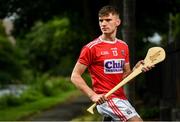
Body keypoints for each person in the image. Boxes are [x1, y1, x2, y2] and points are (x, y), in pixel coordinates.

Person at [71, 5, 153, 121]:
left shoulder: (123, 46)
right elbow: (75, 76)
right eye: (101, 20)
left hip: (121, 98)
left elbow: (124, 77)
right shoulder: (91, 48)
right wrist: (93, 95)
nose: (103, 24)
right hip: (107, 99)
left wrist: (136, 70)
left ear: (117, 22)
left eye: (108, 20)